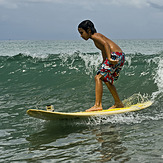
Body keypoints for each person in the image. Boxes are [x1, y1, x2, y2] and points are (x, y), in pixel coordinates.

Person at [78, 20, 125, 112]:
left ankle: (97, 105)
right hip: (120, 56)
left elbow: (105, 44)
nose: (81, 35)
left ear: (89, 30)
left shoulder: (95, 36)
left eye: (82, 33)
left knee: (98, 77)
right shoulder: (96, 37)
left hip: (114, 55)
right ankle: (118, 103)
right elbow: (103, 49)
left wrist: (109, 58)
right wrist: (105, 61)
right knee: (106, 79)